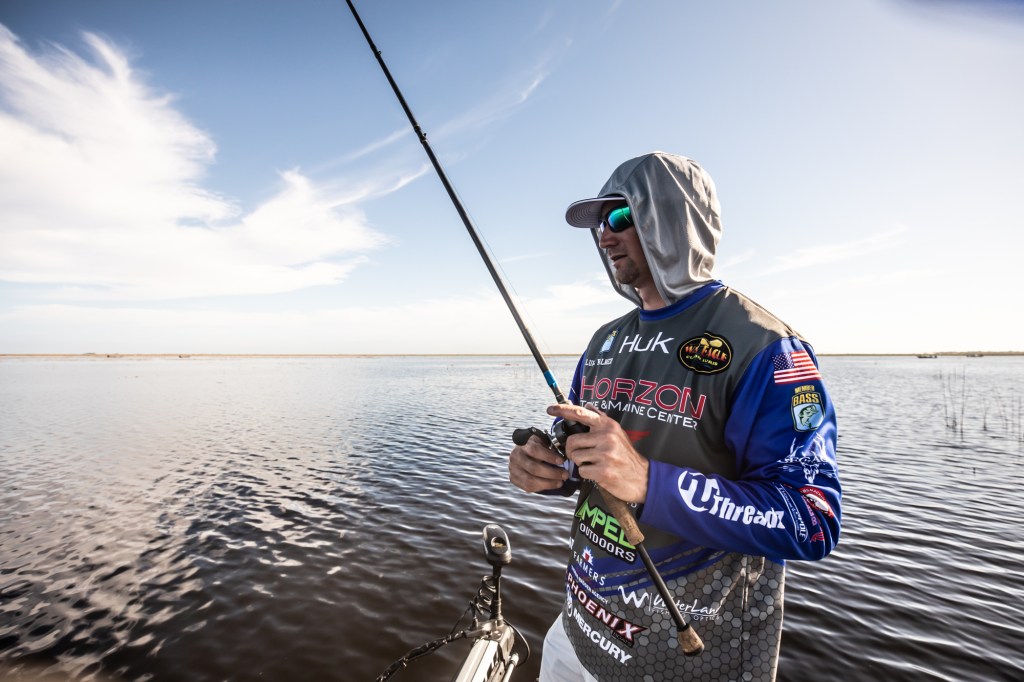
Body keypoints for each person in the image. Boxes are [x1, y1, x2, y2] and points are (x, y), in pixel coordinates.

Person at [508, 152, 841, 682]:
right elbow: (588, 456)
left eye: (620, 216)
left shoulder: (769, 349)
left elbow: (811, 519)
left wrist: (649, 482)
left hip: (689, 658)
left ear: (673, 218)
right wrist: (553, 469)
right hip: (578, 628)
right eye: (600, 224)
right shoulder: (605, 339)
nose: (605, 236)